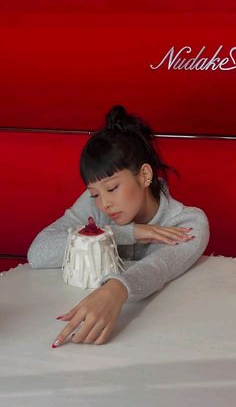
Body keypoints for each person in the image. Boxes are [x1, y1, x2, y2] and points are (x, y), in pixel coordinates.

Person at [27, 105, 210, 348]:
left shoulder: (189, 223)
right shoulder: (96, 206)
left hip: (165, 340)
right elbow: (38, 253)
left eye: (112, 188)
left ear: (145, 176)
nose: (104, 204)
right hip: (83, 332)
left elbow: (159, 267)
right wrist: (126, 233)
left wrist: (115, 291)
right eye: (94, 194)